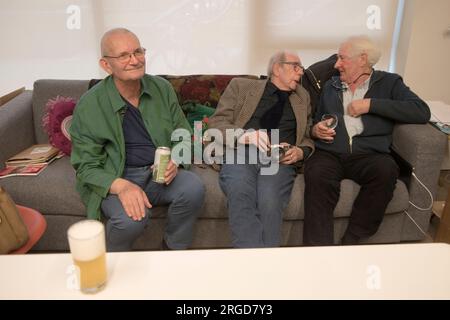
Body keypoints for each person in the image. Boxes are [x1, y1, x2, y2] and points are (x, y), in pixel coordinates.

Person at [70, 28, 205, 252]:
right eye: (124, 55)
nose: (134, 60)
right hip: (117, 176)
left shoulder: (162, 88)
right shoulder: (89, 105)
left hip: (157, 174)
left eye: (138, 52)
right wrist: (121, 186)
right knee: (131, 220)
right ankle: (110, 262)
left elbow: (182, 133)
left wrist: (177, 160)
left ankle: (172, 250)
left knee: (193, 187)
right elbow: (86, 167)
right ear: (106, 65)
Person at [303, 35, 430, 246]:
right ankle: (318, 250)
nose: (336, 64)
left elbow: (421, 111)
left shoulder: (390, 83)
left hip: (370, 154)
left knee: (386, 171)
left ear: (362, 59)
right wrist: (316, 130)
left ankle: (352, 241)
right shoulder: (330, 86)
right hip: (330, 152)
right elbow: (316, 119)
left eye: (342, 58)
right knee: (316, 174)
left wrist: (371, 105)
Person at [209, 51, 314, 248]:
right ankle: (252, 261)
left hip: (278, 159)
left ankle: (267, 262)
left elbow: (308, 135)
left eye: (301, 68)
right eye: (295, 67)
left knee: (270, 199)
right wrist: (245, 135)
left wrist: (301, 151)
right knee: (240, 190)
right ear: (277, 68)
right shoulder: (241, 86)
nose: (301, 72)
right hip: (242, 150)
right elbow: (216, 123)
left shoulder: (303, 97)